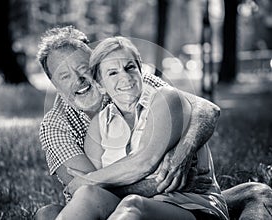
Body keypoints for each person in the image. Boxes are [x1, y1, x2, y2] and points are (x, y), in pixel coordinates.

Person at [35, 26, 272, 220]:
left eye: (83, 68)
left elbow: (207, 109)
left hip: (179, 204)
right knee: (48, 214)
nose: (80, 80)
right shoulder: (59, 126)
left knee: (256, 192)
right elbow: (86, 192)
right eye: (65, 76)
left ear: (95, 68)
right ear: (55, 85)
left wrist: (182, 152)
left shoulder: (134, 82)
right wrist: (163, 182)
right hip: (122, 204)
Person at [57, 36, 229, 220]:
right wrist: (92, 184)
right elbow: (93, 190)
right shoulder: (98, 126)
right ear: (100, 85)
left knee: (132, 205)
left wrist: (89, 178)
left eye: (130, 67)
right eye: (112, 73)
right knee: (87, 196)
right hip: (128, 207)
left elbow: (144, 162)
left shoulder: (166, 98)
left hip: (191, 207)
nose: (124, 76)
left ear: (140, 70)